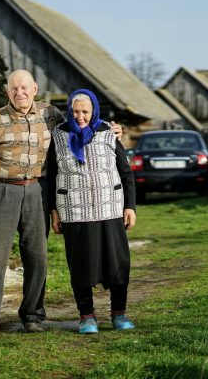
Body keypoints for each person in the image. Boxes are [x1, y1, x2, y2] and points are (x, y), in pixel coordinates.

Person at [0, 70, 122, 335]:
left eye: (25, 88)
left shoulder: (51, 115)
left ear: (35, 89)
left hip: (38, 190)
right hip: (1, 192)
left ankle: (33, 316)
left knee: (36, 258)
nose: (20, 93)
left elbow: (81, 124)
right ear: (8, 92)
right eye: (14, 89)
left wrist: (111, 128)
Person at [47, 89, 137, 334]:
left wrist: (130, 206)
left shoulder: (108, 132)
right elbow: (51, 176)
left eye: (85, 111)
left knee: (117, 263)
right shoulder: (58, 135)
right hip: (74, 212)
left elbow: (125, 171)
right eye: (75, 111)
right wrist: (53, 211)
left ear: (93, 111)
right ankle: (87, 316)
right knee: (80, 265)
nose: (80, 116)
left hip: (109, 208)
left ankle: (119, 313)